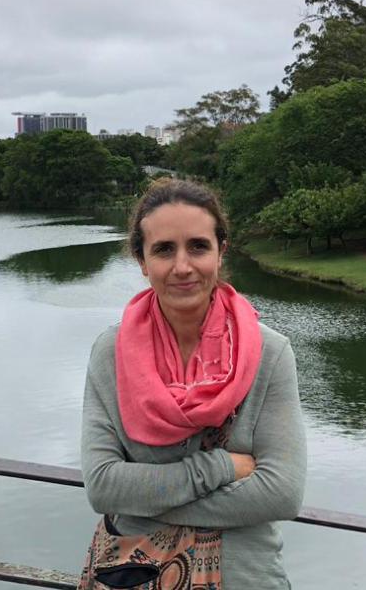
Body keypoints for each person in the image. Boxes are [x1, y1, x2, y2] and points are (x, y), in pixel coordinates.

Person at [78, 178, 306, 589]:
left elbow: (281, 493)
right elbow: (104, 486)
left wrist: (148, 499)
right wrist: (220, 467)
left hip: (243, 577)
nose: (182, 266)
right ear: (142, 261)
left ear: (221, 251)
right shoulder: (111, 354)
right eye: (164, 249)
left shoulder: (270, 354)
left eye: (198, 246)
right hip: (135, 575)